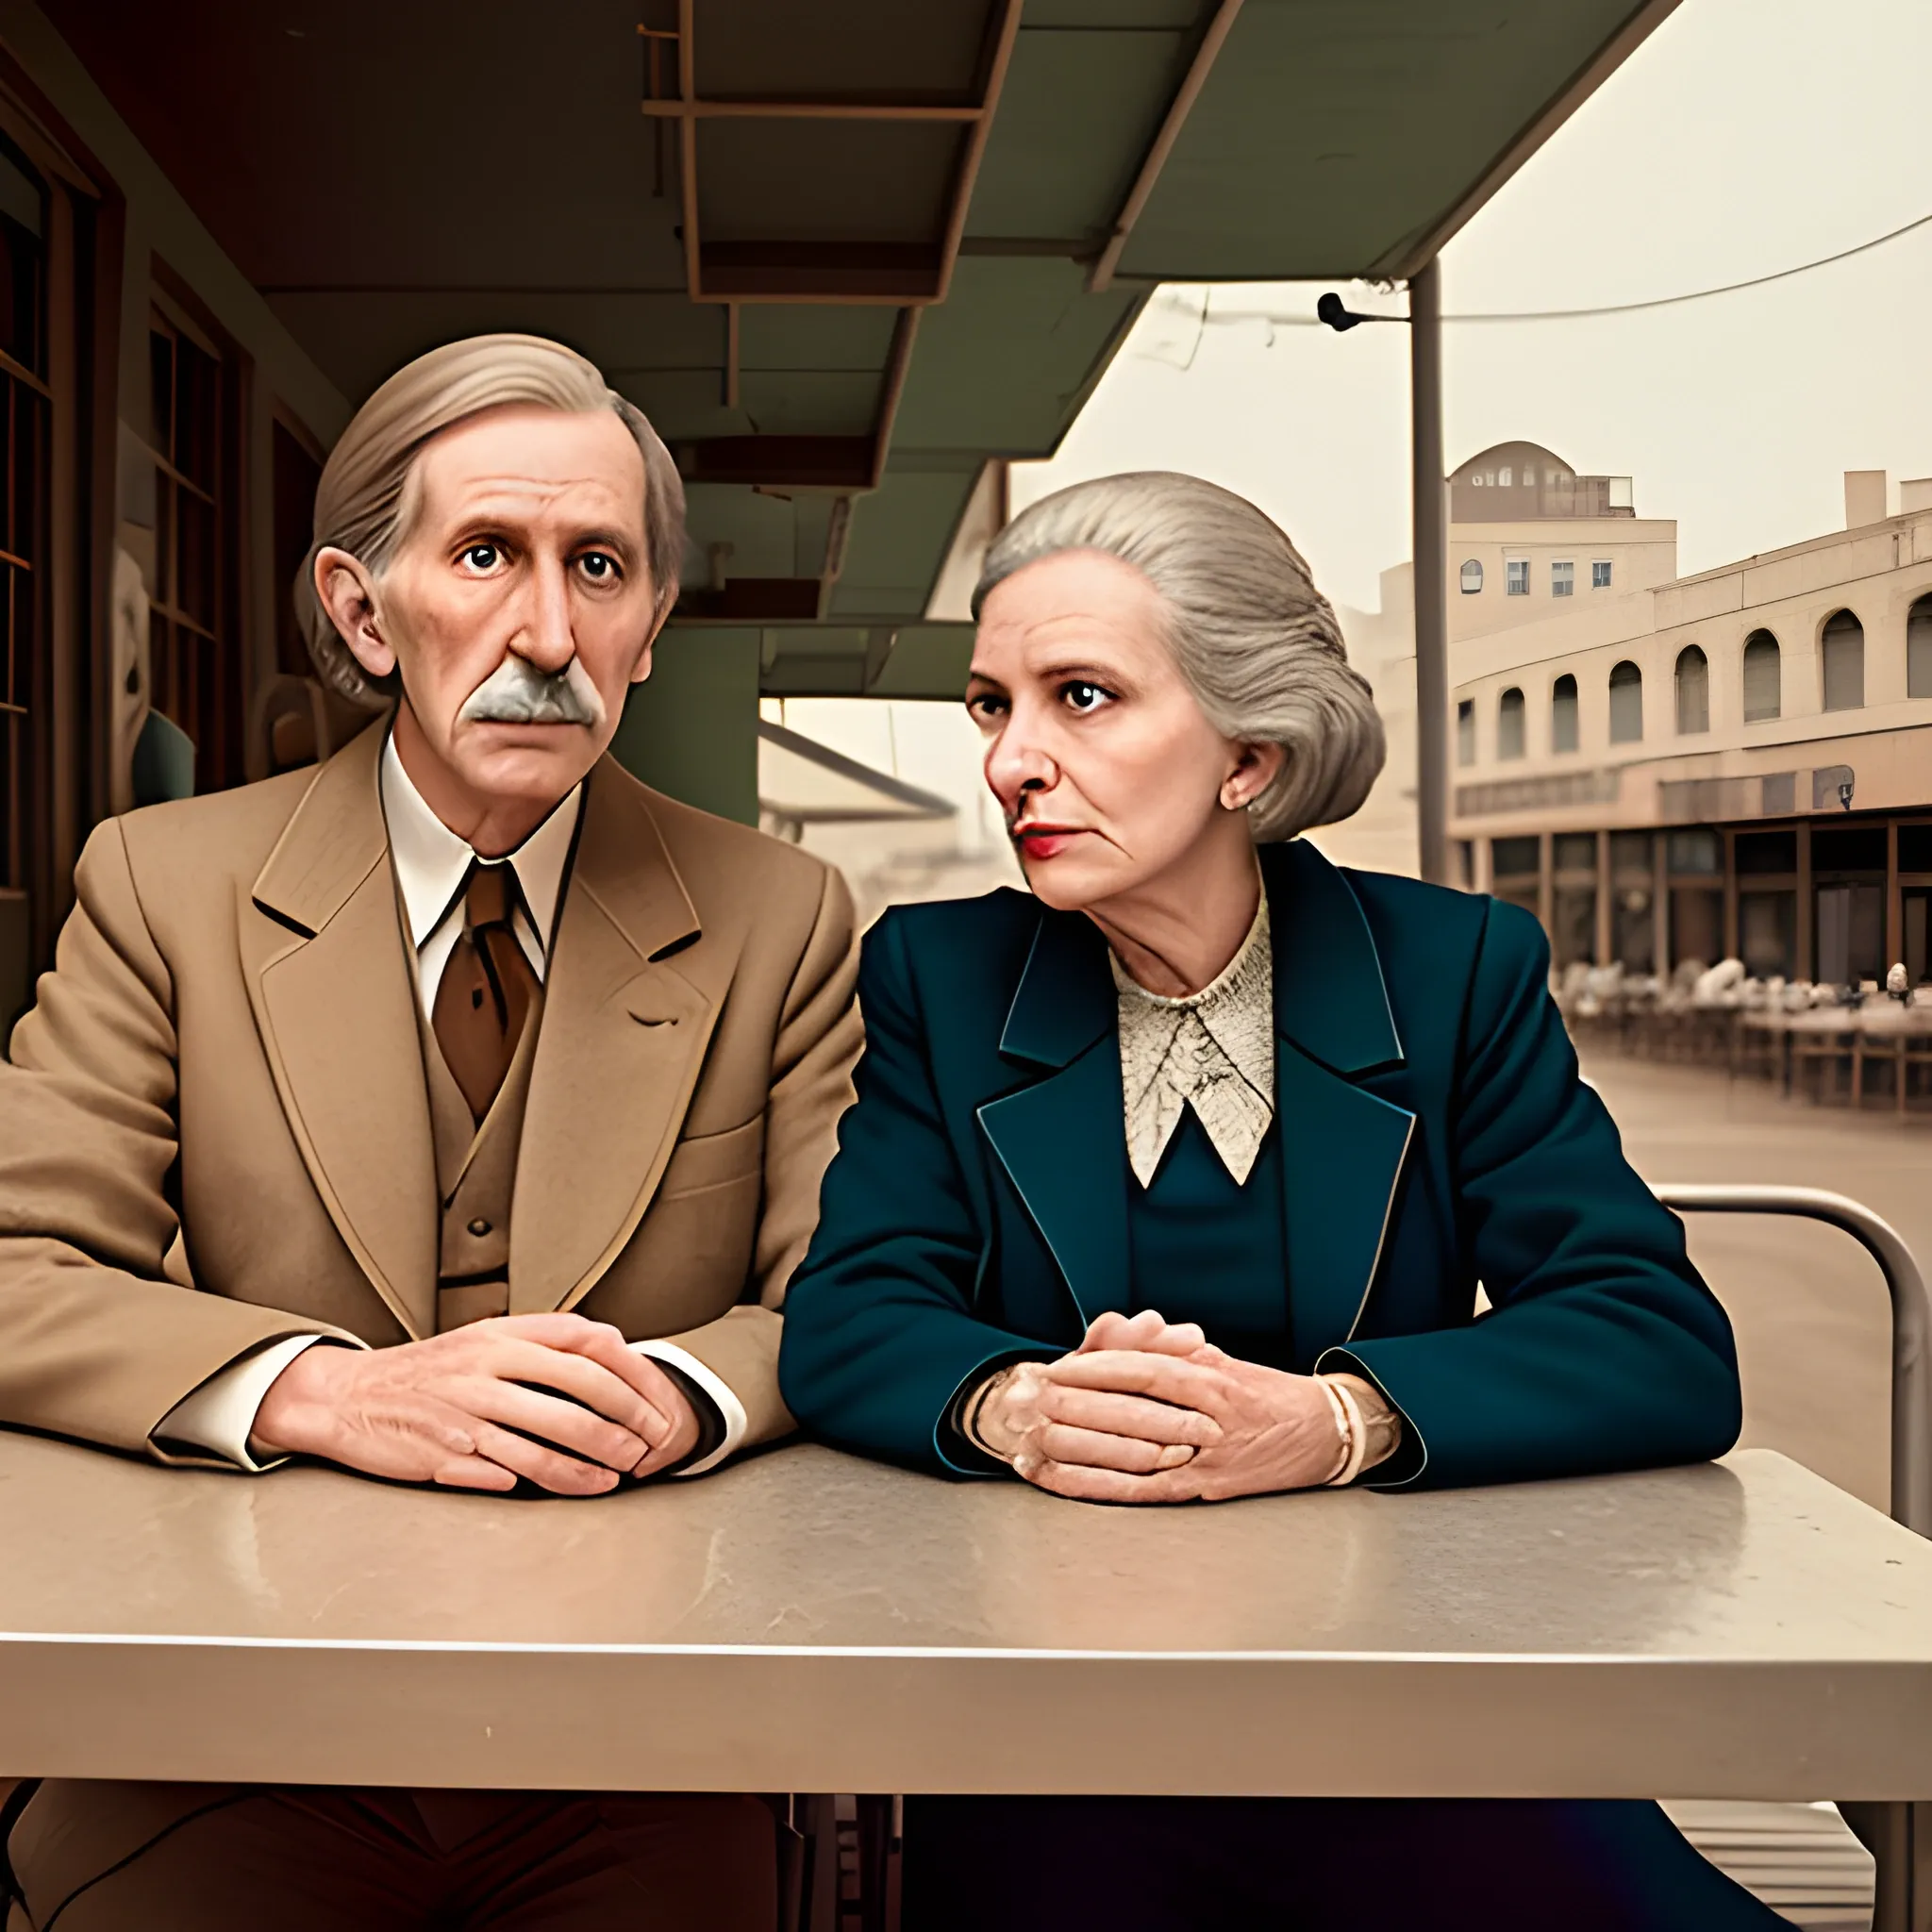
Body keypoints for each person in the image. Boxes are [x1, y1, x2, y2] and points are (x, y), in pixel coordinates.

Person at [776, 472, 1784, 1930]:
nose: (1011, 764)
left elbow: (1661, 1342)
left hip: (1422, 1714)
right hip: (1056, 1731)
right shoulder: (939, 973)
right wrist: (1024, 1406)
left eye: (1083, 698)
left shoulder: (1456, 971)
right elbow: (851, 1316)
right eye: (994, 706)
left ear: (1250, 754)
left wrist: (1327, 1426)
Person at [0, 335, 860, 1930]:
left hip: (639, 1754)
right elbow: (11, 1267)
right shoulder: (161, 884)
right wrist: (325, 1393)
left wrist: (671, 1395)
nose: (548, 631)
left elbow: (857, 1298)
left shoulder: (780, 916)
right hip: (215, 1736)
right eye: (486, 555)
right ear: (359, 608)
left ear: (653, 623)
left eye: (598, 566)